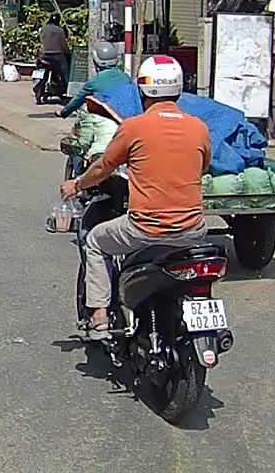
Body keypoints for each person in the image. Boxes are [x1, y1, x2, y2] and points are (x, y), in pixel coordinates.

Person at [61, 56, 211, 339]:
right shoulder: (199, 128)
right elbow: (202, 167)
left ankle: (99, 316)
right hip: (193, 231)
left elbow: (104, 167)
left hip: (145, 229)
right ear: (178, 90)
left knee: (95, 242)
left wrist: (77, 185)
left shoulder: (134, 127)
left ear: (143, 91)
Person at [57, 41, 131, 118]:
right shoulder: (126, 77)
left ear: (96, 62)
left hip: (107, 118)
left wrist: (64, 113)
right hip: (129, 118)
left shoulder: (93, 83)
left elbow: (76, 101)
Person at [39, 12, 70, 93]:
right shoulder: (59, 30)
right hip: (57, 55)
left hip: (44, 55)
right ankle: (67, 87)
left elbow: (41, 40)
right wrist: (67, 52)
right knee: (65, 70)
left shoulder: (43, 29)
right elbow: (63, 44)